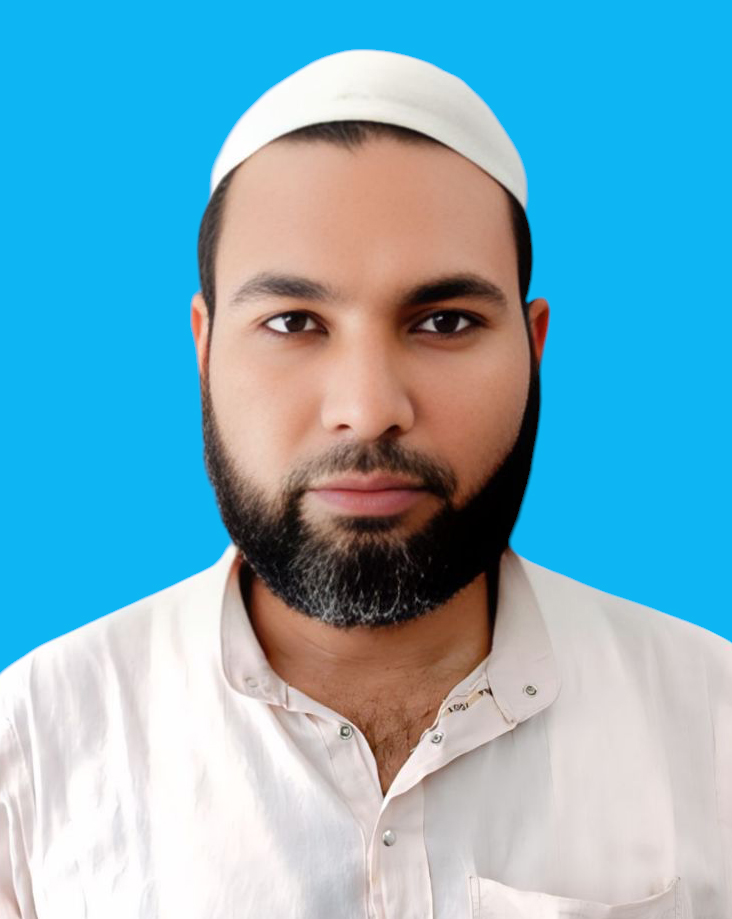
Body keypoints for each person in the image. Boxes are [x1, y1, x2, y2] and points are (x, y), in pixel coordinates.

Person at [1, 49, 729, 919]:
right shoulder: (29, 751)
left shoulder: (712, 721)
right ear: (204, 345)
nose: (369, 409)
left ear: (534, 348)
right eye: (293, 322)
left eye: (445, 321)